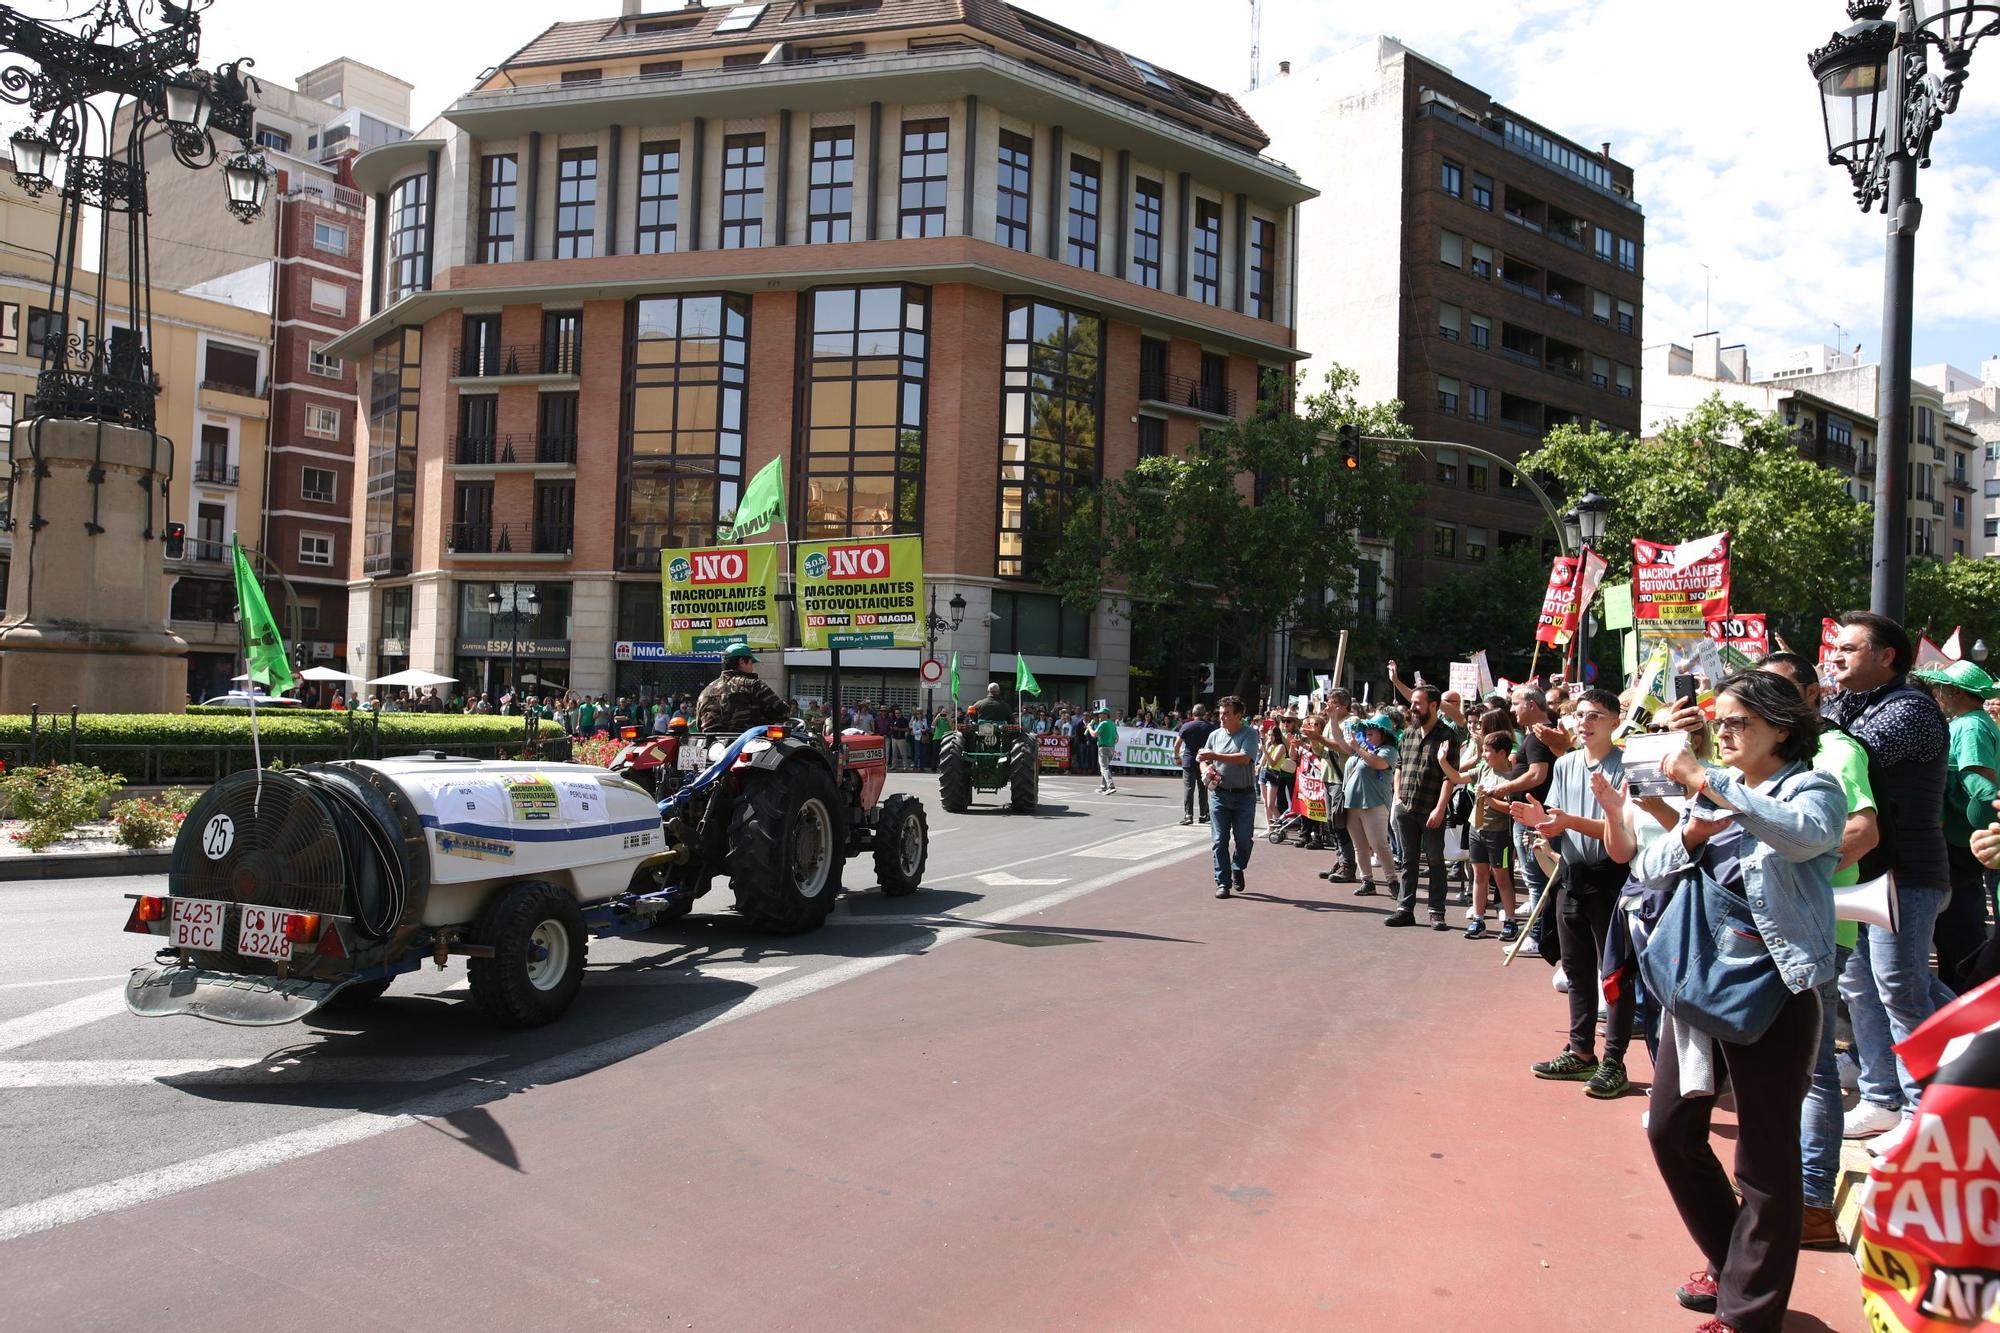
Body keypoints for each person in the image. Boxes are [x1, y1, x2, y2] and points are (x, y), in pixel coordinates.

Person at [1626, 670, 1844, 1333]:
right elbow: (1646, 867)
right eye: (1718, 721)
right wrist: (1690, 832)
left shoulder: (1814, 786)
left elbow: (1806, 835)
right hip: (1699, 986)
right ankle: (1734, 1264)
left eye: (1737, 721)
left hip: (1775, 989)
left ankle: (1750, 1313)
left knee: (1765, 1159)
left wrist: (1704, 780)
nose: (1721, 732)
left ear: (1781, 726)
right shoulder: (1714, 792)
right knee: (1670, 1129)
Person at [1759, 651, 1878, 1250]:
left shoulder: (1836, 752)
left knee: (1814, 1069)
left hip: (1814, 930)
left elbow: (1862, 830)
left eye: (1777, 690)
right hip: (1760, 932)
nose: (1763, 702)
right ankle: (1777, 1191)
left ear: (1811, 695)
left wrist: (1802, 868)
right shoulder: (1759, 753)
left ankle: (1809, 1202)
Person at [1823, 611, 1951, 1155]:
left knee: (1900, 987)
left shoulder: (1910, 710)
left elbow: (1847, 753)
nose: (1835, 657)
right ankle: (1881, 1099)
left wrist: (1793, 710)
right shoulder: (1857, 703)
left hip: (1908, 873)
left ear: (1886, 656)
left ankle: (1930, 1110)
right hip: (1865, 872)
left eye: (1848, 649)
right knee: (1861, 986)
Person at [1509, 686, 1635, 1099]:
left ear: (1615, 721)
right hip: (1571, 877)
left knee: (1614, 975)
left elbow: (1624, 837)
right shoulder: (1564, 765)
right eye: (1580, 714)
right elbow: (1559, 821)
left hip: (1612, 878)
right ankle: (1581, 1052)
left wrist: (1567, 823)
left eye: (1595, 715)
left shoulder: (1627, 767)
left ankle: (1614, 1060)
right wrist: (1542, 826)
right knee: (1576, 969)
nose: (1585, 722)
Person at [1910, 658, 2000, 993]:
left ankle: (1962, 1005)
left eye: (1942, 687)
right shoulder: (1974, 722)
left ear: (1955, 692)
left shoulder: (1970, 726)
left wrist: (1993, 810)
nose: (1937, 693)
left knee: (1959, 933)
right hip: (1966, 840)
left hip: (1962, 842)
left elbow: (1977, 780)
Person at [1384, 685, 1458, 930]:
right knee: (1408, 861)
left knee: (1436, 861)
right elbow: (1400, 764)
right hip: (1406, 808)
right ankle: (1405, 909)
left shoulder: (1447, 735)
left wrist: (1440, 809)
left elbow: (1450, 777)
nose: (1412, 707)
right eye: (1412, 702)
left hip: (1431, 809)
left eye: (1417, 703)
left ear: (1433, 706)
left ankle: (1437, 911)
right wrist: (1397, 795)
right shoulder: (1408, 733)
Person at [1443, 729, 1520, 941]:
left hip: (1499, 834)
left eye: (1487, 751)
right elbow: (1457, 776)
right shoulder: (1484, 768)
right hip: (1476, 830)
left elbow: (1511, 808)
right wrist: (1442, 760)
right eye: (1483, 750)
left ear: (1502, 753)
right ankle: (1478, 919)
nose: (1483, 754)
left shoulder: (1512, 777)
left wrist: (1488, 798)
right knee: (1479, 875)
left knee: (1502, 878)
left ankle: (1510, 921)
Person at [1324, 711, 1396, 895]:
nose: (1368, 733)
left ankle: (1392, 881)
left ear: (1383, 734)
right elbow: (1340, 741)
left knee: (1379, 844)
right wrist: (1333, 720)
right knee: (1360, 846)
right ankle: (1367, 881)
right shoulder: (1361, 747)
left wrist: (1357, 746)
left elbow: (1378, 763)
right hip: (1352, 804)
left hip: (1374, 804)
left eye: (1372, 731)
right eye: (1367, 730)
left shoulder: (1388, 751)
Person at [1199, 696, 1260, 898]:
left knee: (1243, 839)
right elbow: (1202, 757)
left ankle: (1238, 865)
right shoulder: (1215, 735)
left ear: (1238, 715)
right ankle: (1222, 882)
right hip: (1219, 795)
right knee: (1219, 840)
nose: (1222, 717)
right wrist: (1205, 770)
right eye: (1220, 713)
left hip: (1244, 796)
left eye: (1227, 713)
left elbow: (1244, 758)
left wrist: (1213, 757)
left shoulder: (1250, 734)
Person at [695, 640, 789, 733]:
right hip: (748, 745)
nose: (752, 668)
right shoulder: (753, 685)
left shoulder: (705, 692)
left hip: (713, 746)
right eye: (751, 663)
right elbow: (783, 712)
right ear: (742, 662)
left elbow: (699, 725)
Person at [1174, 704, 1217, 826]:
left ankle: (1188, 815)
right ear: (1205, 714)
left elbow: (1177, 744)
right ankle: (1203, 815)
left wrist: (1177, 757)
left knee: (1188, 788)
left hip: (1188, 760)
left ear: (1193, 714)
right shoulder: (1211, 727)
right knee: (1203, 788)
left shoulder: (1186, 726)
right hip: (1204, 761)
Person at [1093, 708, 1121, 794]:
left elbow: (1094, 734)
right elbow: (1117, 738)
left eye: (1101, 714)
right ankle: (1103, 787)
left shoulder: (1103, 723)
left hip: (1103, 748)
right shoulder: (1113, 724)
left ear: (1106, 715)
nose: (1099, 716)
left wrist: (1089, 727)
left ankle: (1111, 786)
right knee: (1105, 767)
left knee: (1104, 768)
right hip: (1111, 748)